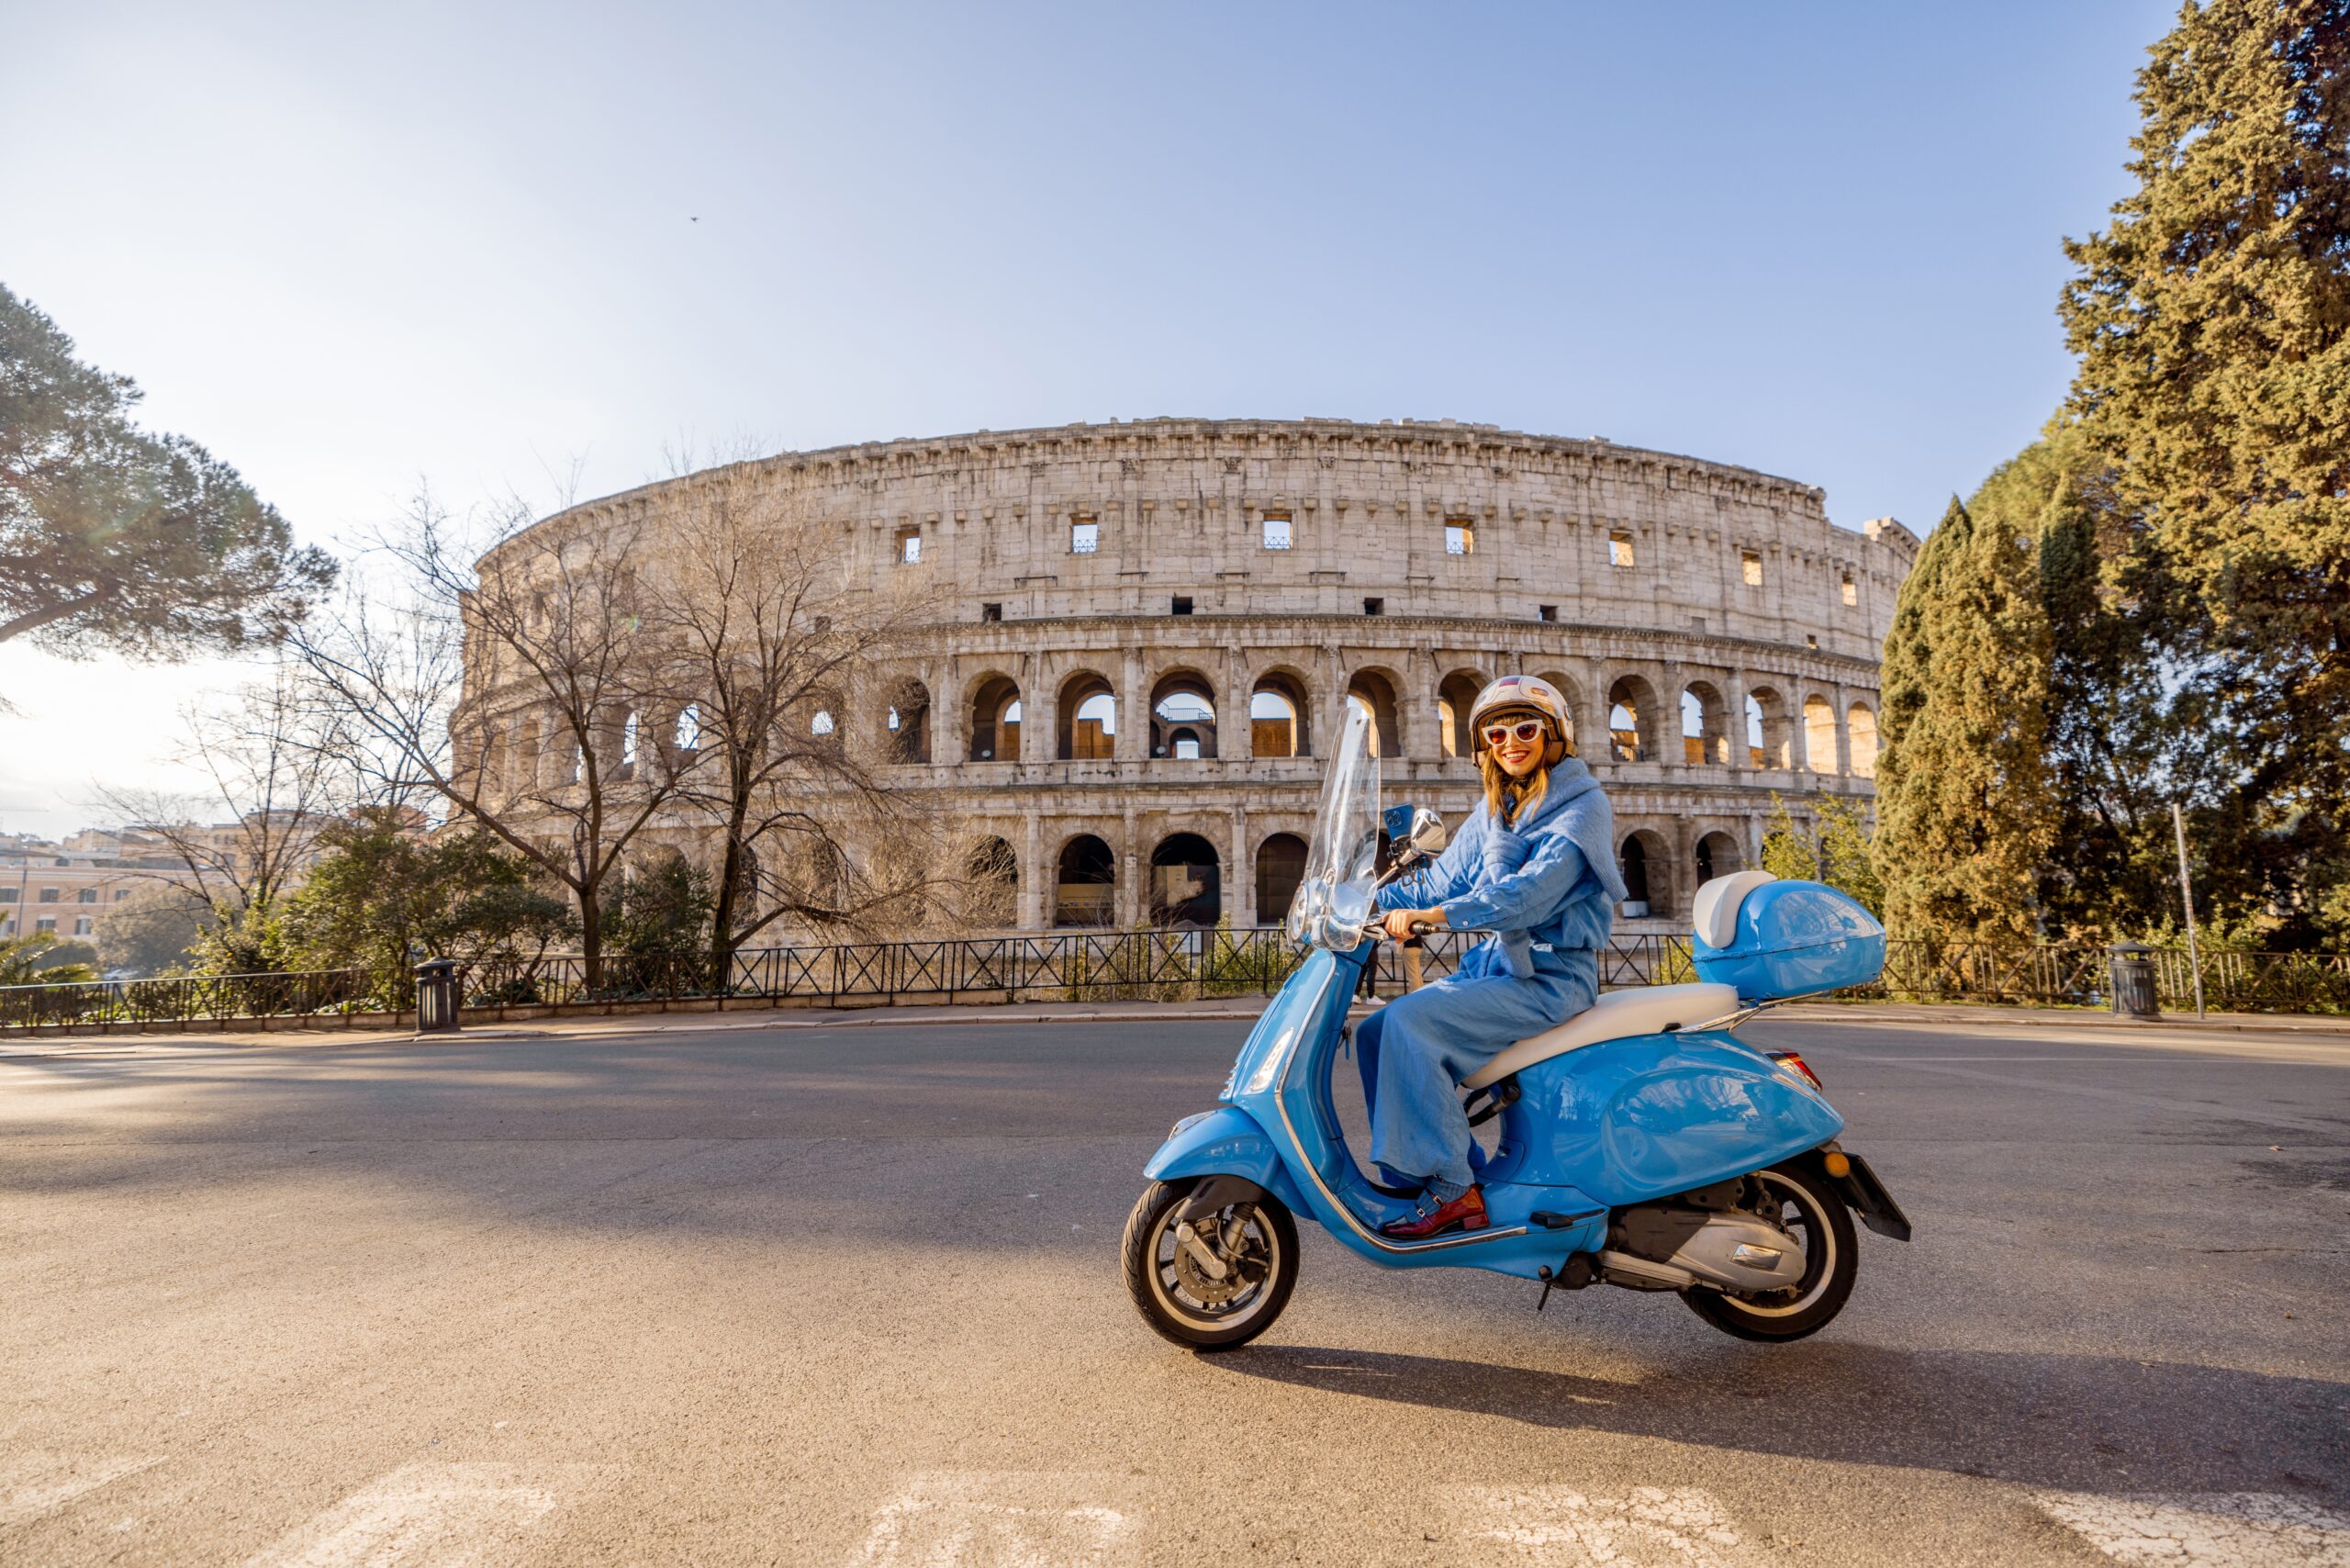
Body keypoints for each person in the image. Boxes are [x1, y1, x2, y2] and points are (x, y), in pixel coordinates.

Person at [1358, 674, 1626, 1238]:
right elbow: (1439, 882)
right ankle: (1429, 1172)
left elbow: (1527, 896)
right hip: (1504, 969)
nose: (1510, 743)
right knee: (1376, 1030)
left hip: (1552, 977)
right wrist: (1360, 902)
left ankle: (1453, 1189)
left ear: (1553, 735)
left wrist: (1433, 918)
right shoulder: (1496, 811)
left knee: (1410, 1023)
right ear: (1483, 746)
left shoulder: (1582, 807)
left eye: (1525, 729)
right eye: (1496, 734)